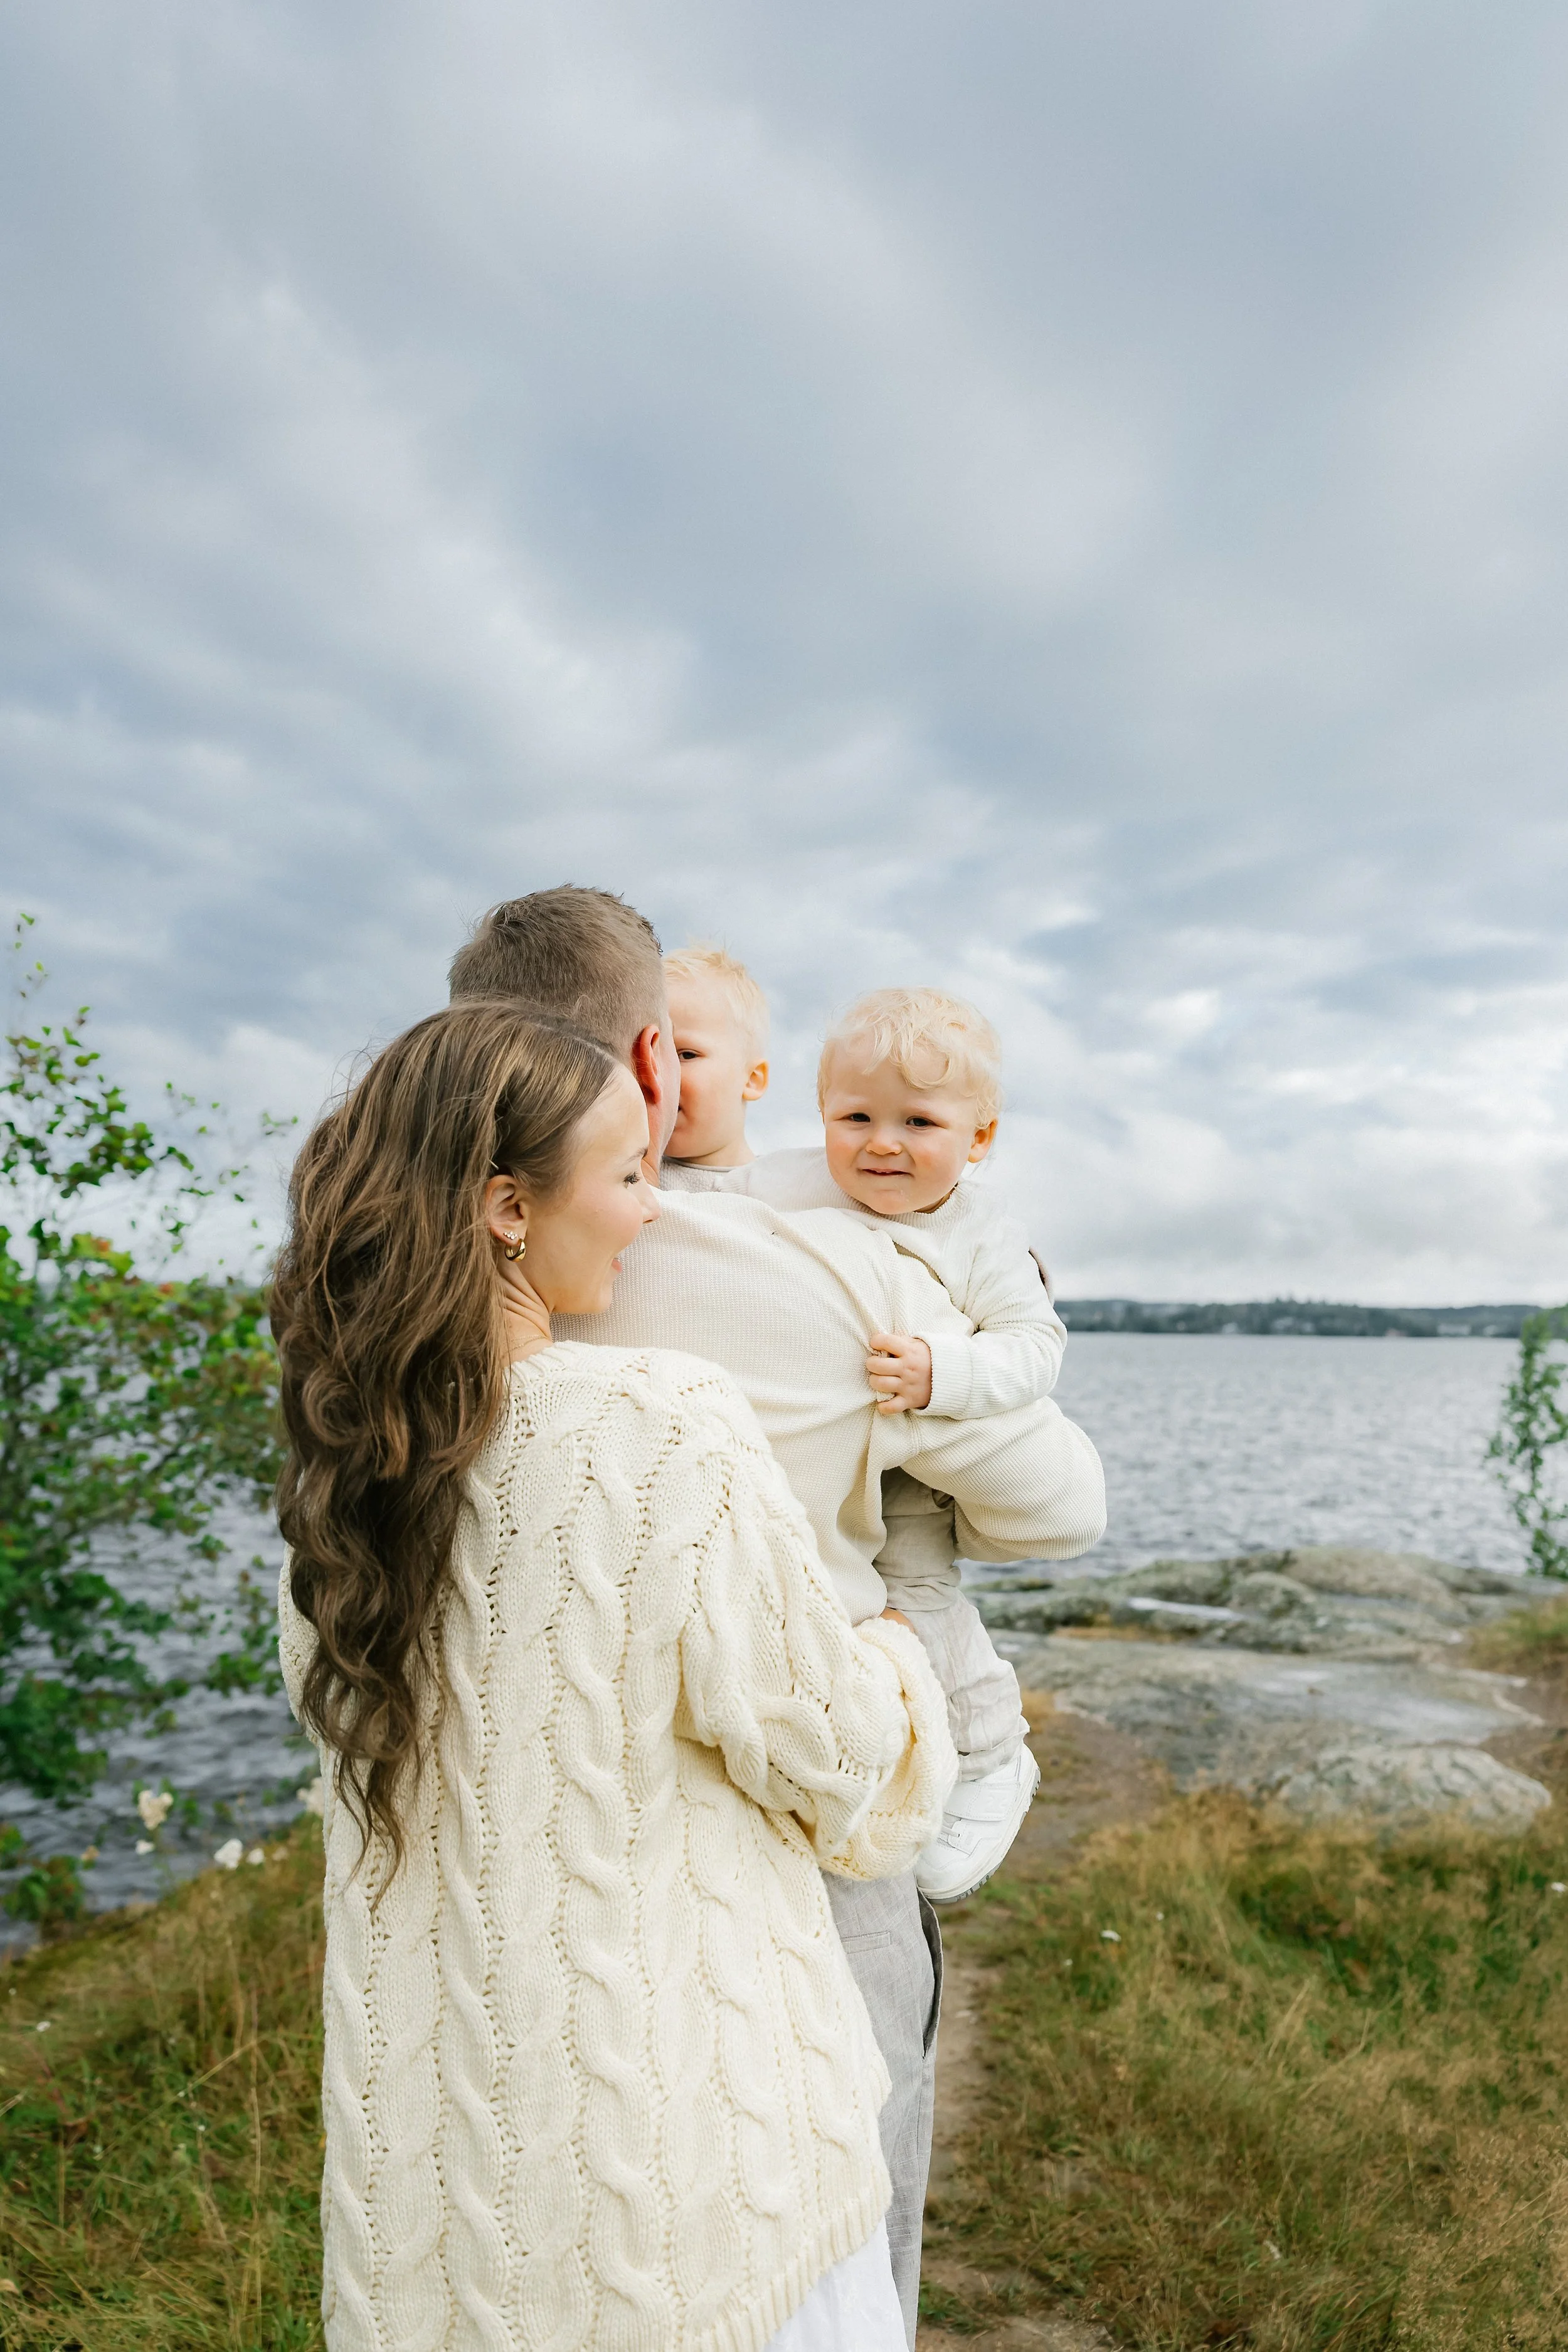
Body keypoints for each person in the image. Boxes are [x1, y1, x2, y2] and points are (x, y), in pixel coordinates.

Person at [447, 889, 1106, 2341]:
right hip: (811, 1772)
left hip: (540, 1805)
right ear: (638, 1057)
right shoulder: (802, 1266)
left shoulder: (405, 1269)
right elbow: (1061, 1508)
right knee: (843, 2158)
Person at [272, 1000, 957, 2351]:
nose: (654, 1211)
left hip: (452, 2207)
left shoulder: (335, 1480)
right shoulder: (656, 1419)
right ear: (505, 1208)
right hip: (696, 2186)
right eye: (631, 1173)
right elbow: (832, 1758)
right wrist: (894, 1655)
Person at [663, 979, 1064, 1905]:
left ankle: (993, 1750)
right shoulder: (798, 1182)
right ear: (820, 1114)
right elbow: (717, 1214)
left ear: (981, 1139)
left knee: (918, 1600)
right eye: (857, 1116)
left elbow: (1036, 1345)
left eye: (919, 1122)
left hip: (917, 1467)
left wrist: (944, 1373)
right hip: (828, 1452)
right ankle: (874, 1762)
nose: (882, 1143)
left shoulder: (983, 1232)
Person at [663, 943, 771, 1168]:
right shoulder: (618, 1179)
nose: (655, 1072)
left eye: (687, 1055)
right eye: (641, 1058)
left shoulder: (784, 1192)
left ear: (752, 1079)